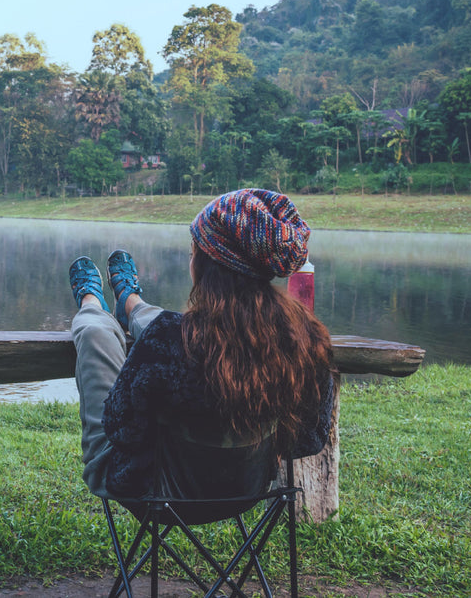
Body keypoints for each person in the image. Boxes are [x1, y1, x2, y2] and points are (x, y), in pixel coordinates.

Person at [68, 188, 336, 499]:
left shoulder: (170, 338)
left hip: (154, 492)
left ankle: (92, 305)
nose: (191, 259)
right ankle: (130, 302)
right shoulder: (305, 337)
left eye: (195, 251)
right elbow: (311, 438)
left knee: (95, 332)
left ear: (208, 266)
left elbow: (118, 429)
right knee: (160, 325)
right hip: (246, 489)